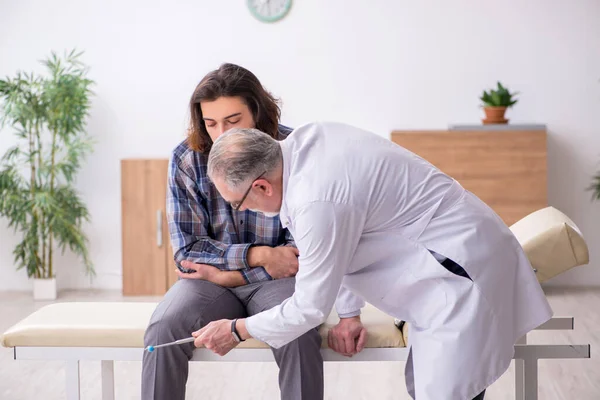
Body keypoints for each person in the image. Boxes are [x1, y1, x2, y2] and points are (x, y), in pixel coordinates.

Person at [194, 121, 554, 400]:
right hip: (452, 254)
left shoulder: (315, 201)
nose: (240, 211)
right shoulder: (308, 142)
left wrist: (238, 330)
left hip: (459, 269)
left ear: (261, 186)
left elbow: (309, 307)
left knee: (448, 390)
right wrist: (350, 314)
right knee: (426, 384)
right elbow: (348, 241)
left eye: (238, 204)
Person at [142, 64, 337, 400]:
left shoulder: (295, 150)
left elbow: (298, 255)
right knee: (162, 330)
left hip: (277, 284)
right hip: (209, 283)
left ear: (257, 112)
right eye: (211, 123)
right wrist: (258, 255)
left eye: (233, 121)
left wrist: (228, 273)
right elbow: (188, 252)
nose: (222, 134)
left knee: (298, 334)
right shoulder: (187, 159)